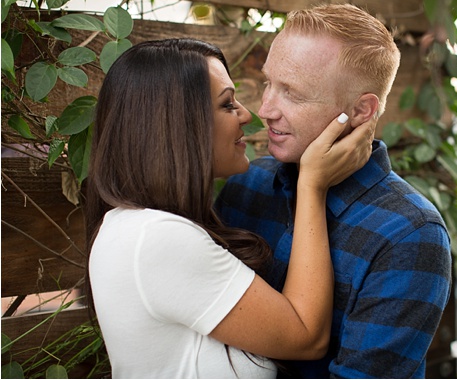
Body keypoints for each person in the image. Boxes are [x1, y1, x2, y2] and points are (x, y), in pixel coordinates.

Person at [84, 38, 375, 378]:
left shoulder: (139, 228)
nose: (249, 115)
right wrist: (311, 186)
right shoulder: (157, 238)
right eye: (227, 105)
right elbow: (306, 337)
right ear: (177, 123)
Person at [215, 4, 453, 378]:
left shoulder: (410, 234)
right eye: (268, 83)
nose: (265, 109)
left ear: (361, 111)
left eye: (292, 93)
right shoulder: (246, 185)